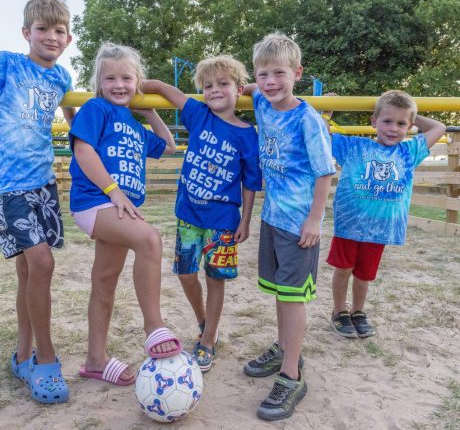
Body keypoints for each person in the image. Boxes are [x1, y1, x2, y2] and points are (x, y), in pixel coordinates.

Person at [69, 42, 181, 387]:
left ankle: (95, 360)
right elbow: (84, 150)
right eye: (110, 78)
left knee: (104, 281)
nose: (118, 85)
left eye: (127, 79)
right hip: (95, 202)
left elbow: (169, 146)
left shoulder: (134, 125)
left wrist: (148, 109)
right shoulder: (96, 109)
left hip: (116, 208)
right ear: (99, 83)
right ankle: (153, 326)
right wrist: (113, 191)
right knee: (149, 238)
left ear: (138, 83)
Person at [143, 55, 262, 372]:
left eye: (223, 84)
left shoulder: (248, 134)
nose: (214, 90)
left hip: (223, 221)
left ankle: (207, 341)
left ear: (238, 90)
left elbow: (250, 183)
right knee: (185, 274)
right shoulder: (198, 114)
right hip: (188, 215)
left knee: (215, 279)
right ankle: (204, 321)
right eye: (207, 85)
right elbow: (163, 88)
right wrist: (132, 84)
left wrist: (246, 220)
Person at [242, 33, 336, 421]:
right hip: (272, 217)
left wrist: (315, 218)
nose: (269, 82)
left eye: (279, 73)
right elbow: (249, 88)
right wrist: (247, 85)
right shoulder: (263, 102)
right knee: (279, 292)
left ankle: (292, 374)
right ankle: (283, 346)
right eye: (263, 74)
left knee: (293, 297)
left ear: (297, 73)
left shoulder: (308, 119)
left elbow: (324, 172)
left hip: (300, 225)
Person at [1, 0, 75, 404]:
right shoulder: (8, 65)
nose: (51, 36)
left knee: (29, 272)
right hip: (9, 184)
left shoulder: (61, 77)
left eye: (59, 30)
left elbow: (68, 112)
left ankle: (23, 355)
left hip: (43, 183)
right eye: (43, 28)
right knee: (42, 263)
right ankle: (45, 360)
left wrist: (82, 130)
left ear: (67, 39)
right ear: (26, 31)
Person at [326, 90, 445, 338]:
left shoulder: (408, 152)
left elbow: (439, 127)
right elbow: (320, 134)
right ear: (373, 121)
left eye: (401, 124)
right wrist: (327, 110)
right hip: (350, 225)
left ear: (409, 126)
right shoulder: (354, 146)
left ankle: (358, 311)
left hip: (379, 229)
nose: (393, 128)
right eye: (387, 121)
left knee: (364, 275)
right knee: (344, 269)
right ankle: (339, 311)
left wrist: (410, 113)